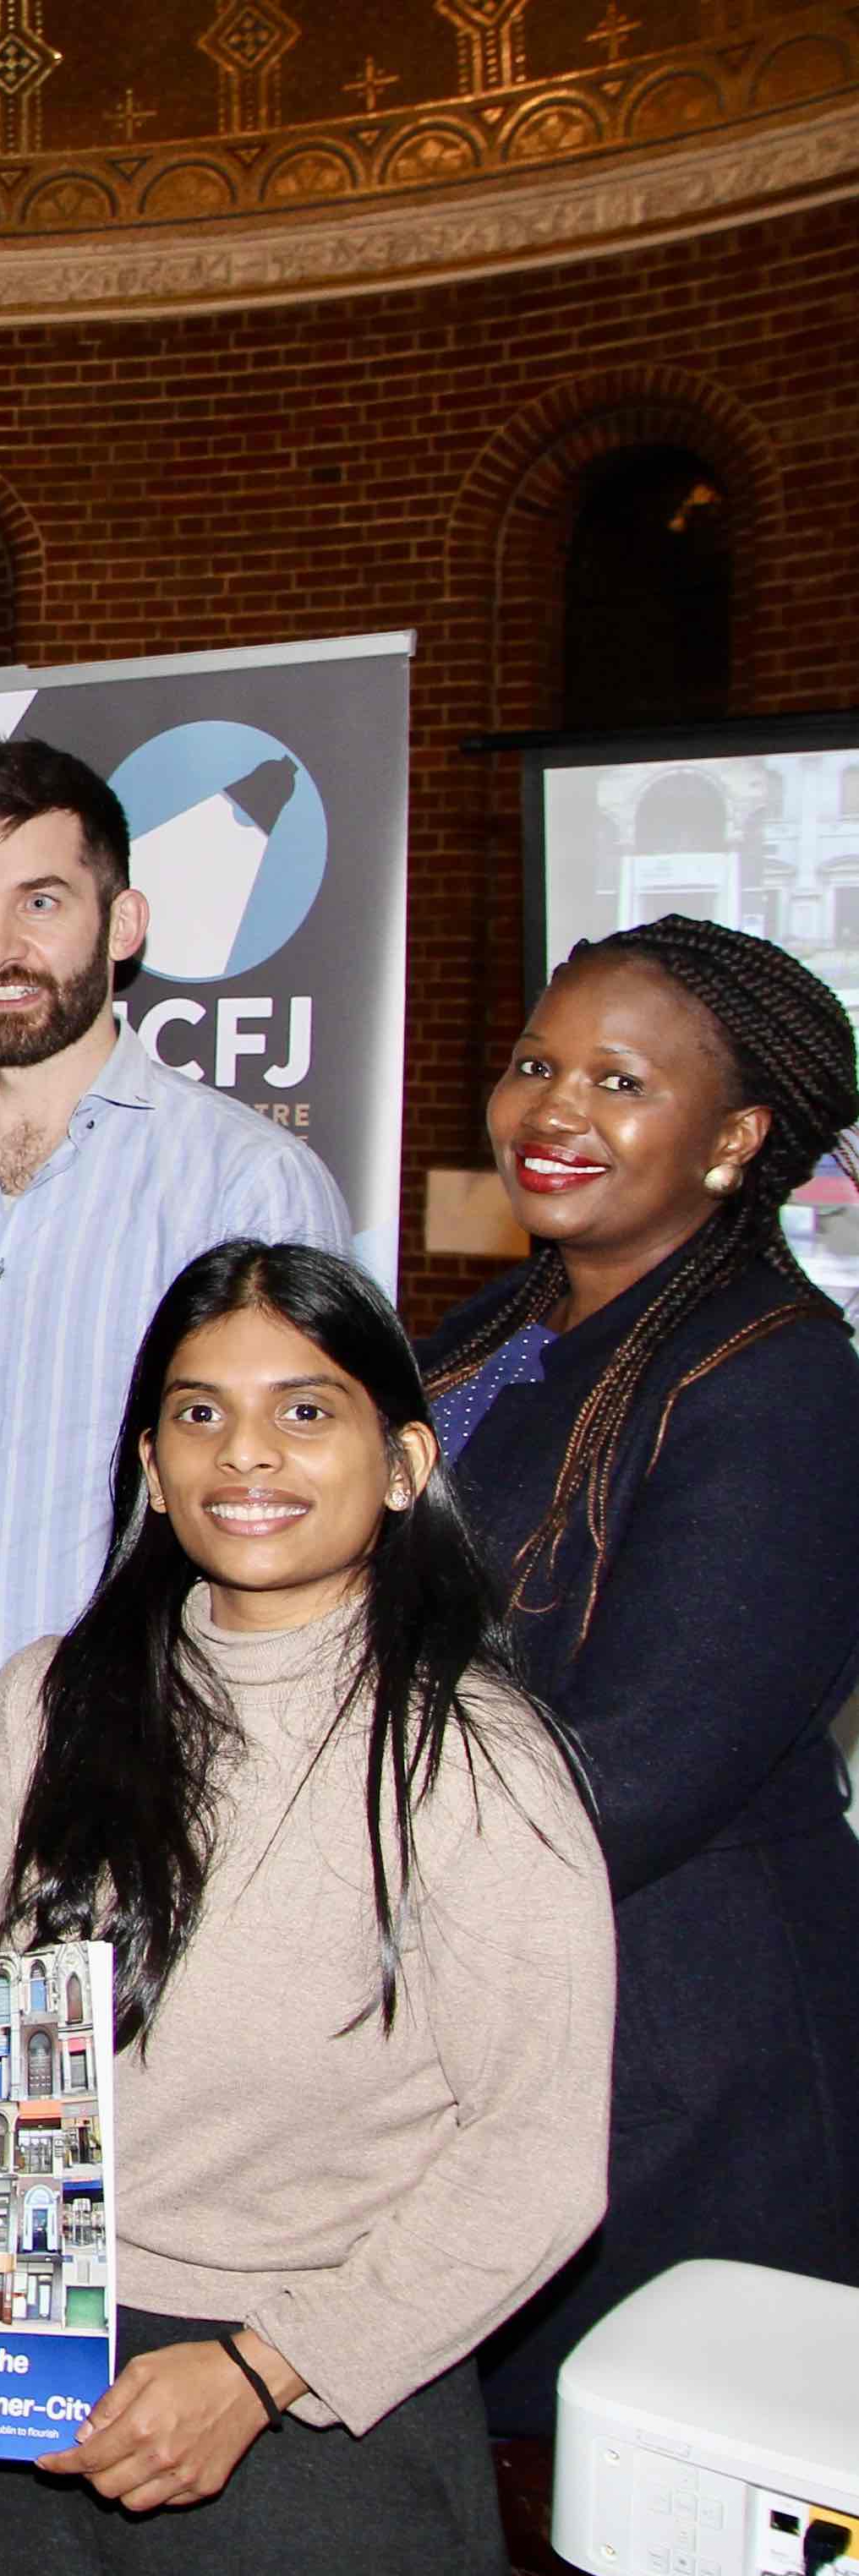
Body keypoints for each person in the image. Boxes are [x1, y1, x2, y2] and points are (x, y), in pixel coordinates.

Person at [0, 1242, 613, 2576]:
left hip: (313, 2415)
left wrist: (263, 2370)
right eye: (199, 1412)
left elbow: (538, 2160)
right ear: (148, 1458)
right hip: (20, 2363)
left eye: (307, 1410)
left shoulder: (473, 1760)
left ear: (406, 1460)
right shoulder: (51, 1699)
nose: (247, 1454)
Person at [0, 737, 351, 2137]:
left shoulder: (247, 1186)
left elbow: (324, 1559)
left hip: (152, 1855)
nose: (0, 942)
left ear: (124, 922)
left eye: (43, 898)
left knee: (138, 2337)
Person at [418, 914, 859, 2433]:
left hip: (678, 2058)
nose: (554, 1110)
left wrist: (336, 1878)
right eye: (540, 1062)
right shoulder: (507, 1328)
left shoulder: (781, 1377)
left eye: (619, 1082)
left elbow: (648, 1765)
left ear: (736, 1138)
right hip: (490, 2010)